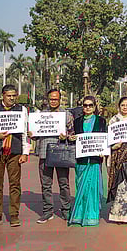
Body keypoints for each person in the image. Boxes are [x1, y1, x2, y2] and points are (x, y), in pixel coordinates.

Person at [28, 89, 75, 224]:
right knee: (46, 184)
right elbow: (35, 135)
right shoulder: (40, 115)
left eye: (56, 99)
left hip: (61, 152)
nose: (53, 101)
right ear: (48, 100)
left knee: (64, 183)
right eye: (51, 99)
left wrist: (66, 136)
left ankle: (66, 210)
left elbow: (72, 133)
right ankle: (47, 212)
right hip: (44, 152)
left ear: (60, 100)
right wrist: (32, 134)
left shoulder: (67, 115)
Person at [0, 85, 29, 228]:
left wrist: (25, 152)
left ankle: (13, 215)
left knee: (15, 184)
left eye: (14, 95)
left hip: (14, 152)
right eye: (9, 95)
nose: (12, 98)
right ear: (3, 95)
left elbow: (25, 132)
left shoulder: (21, 110)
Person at [68, 96, 107, 226]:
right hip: (82, 159)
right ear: (82, 107)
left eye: (90, 105)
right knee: (81, 187)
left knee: (94, 188)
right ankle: (79, 215)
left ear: (94, 107)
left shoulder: (101, 121)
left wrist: (104, 151)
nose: (88, 107)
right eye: (85, 105)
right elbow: (73, 136)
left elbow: (105, 138)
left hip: (95, 159)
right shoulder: (77, 121)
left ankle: (91, 215)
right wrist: (71, 138)